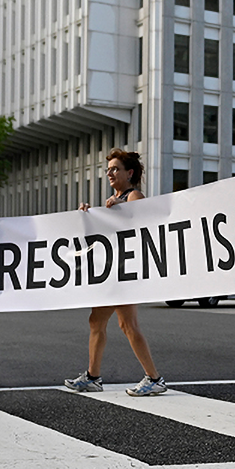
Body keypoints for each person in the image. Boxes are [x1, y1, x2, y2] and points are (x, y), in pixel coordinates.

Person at [64, 149, 167, 397]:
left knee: (127, 324)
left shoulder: (134, 196)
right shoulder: (115, 199)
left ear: (129, 173)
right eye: (108, 169)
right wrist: (89, 213)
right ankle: (93, 377)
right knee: (96, 321)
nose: (110, 173)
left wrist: (121, 207)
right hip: (113, 270)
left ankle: (154, 378)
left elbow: (144, 221)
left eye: (115, 169)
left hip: (125, 271)